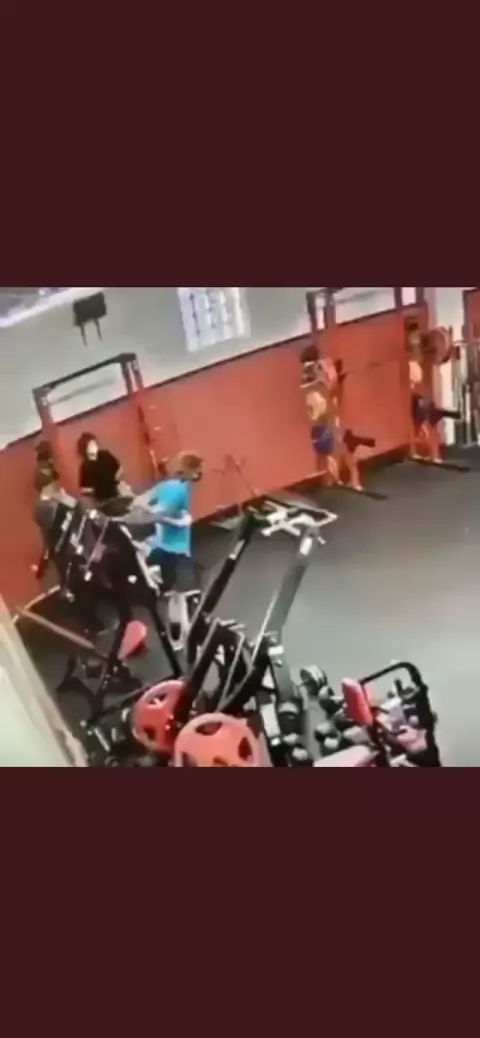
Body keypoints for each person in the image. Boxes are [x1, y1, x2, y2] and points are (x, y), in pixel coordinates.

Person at [144, 451, 203, 649]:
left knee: (176, 597)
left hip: (172, 550)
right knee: (179, 596)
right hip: (173, 553)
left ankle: (178, 636)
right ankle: (183, 636)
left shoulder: (167, 494)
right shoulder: (171, 496)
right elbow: (173, 521)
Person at [77, 433, 123, 506]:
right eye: (91, 445)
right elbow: (83, 488)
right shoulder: (85, 466)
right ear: (85, 448)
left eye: (95, 444)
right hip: (100, 501)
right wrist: (93, 490)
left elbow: (120, 469)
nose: (95, 447)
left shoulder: (106, 455)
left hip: (116, 493)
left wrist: (117, 480)